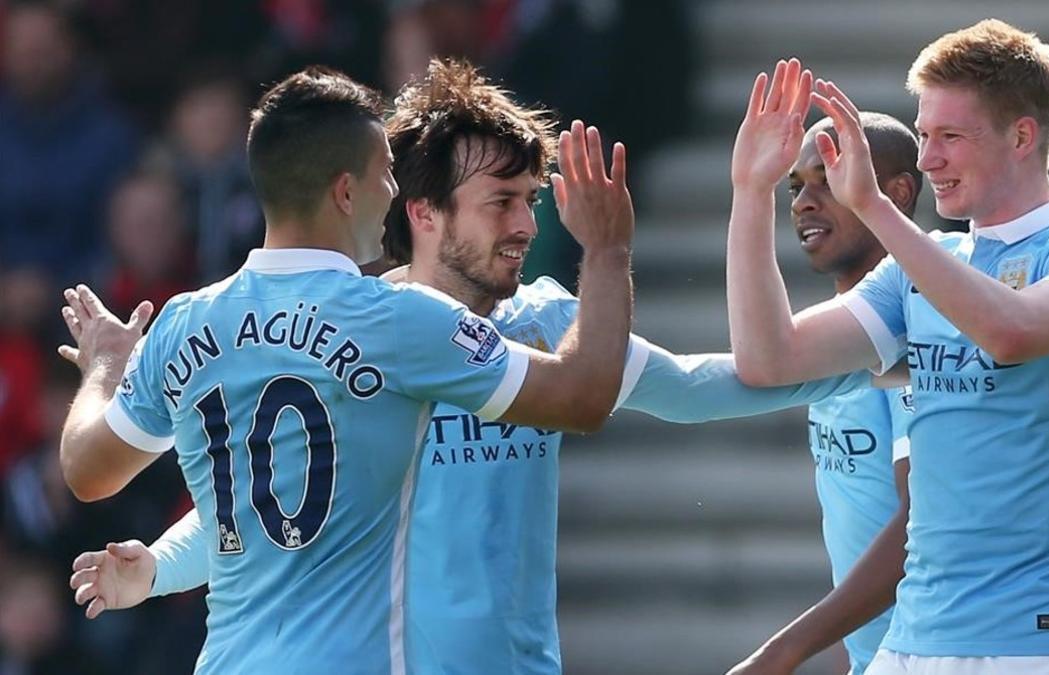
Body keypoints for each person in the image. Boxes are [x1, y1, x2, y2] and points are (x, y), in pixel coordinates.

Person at [67, 59, 871, 675]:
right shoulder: (385, 332)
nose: (526, 223)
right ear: (419, 210)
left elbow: (695, 389)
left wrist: (870, 357)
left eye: (532, 198)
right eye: (501, 201)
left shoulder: (550, 323)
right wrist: (165, 566)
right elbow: (280, 505)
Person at [57, 65, 638, 674]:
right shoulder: (401, 320)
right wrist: (606, 249)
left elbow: (86, 471)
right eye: (385, 171)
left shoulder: (184, 323)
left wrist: (104, 368)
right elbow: (583, 397)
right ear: (346, 193)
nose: (394, 190)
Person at [727, 19, 1049, 674]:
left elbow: (1010, 332)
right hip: (914, 639)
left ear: (1022, 136)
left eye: (950, 136)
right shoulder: (919, 265)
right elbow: (769, 359)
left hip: (1042, 636)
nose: (926, 160)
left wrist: (875, 209)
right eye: (923, 136)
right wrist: (750, 193)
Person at [729, 113, 919, 675]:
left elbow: (920, 523)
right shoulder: (835, 332)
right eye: (794, 186)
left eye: (827, 179)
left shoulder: (918, 316)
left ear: (899, 192)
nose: (803, 202)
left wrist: (781, 652)